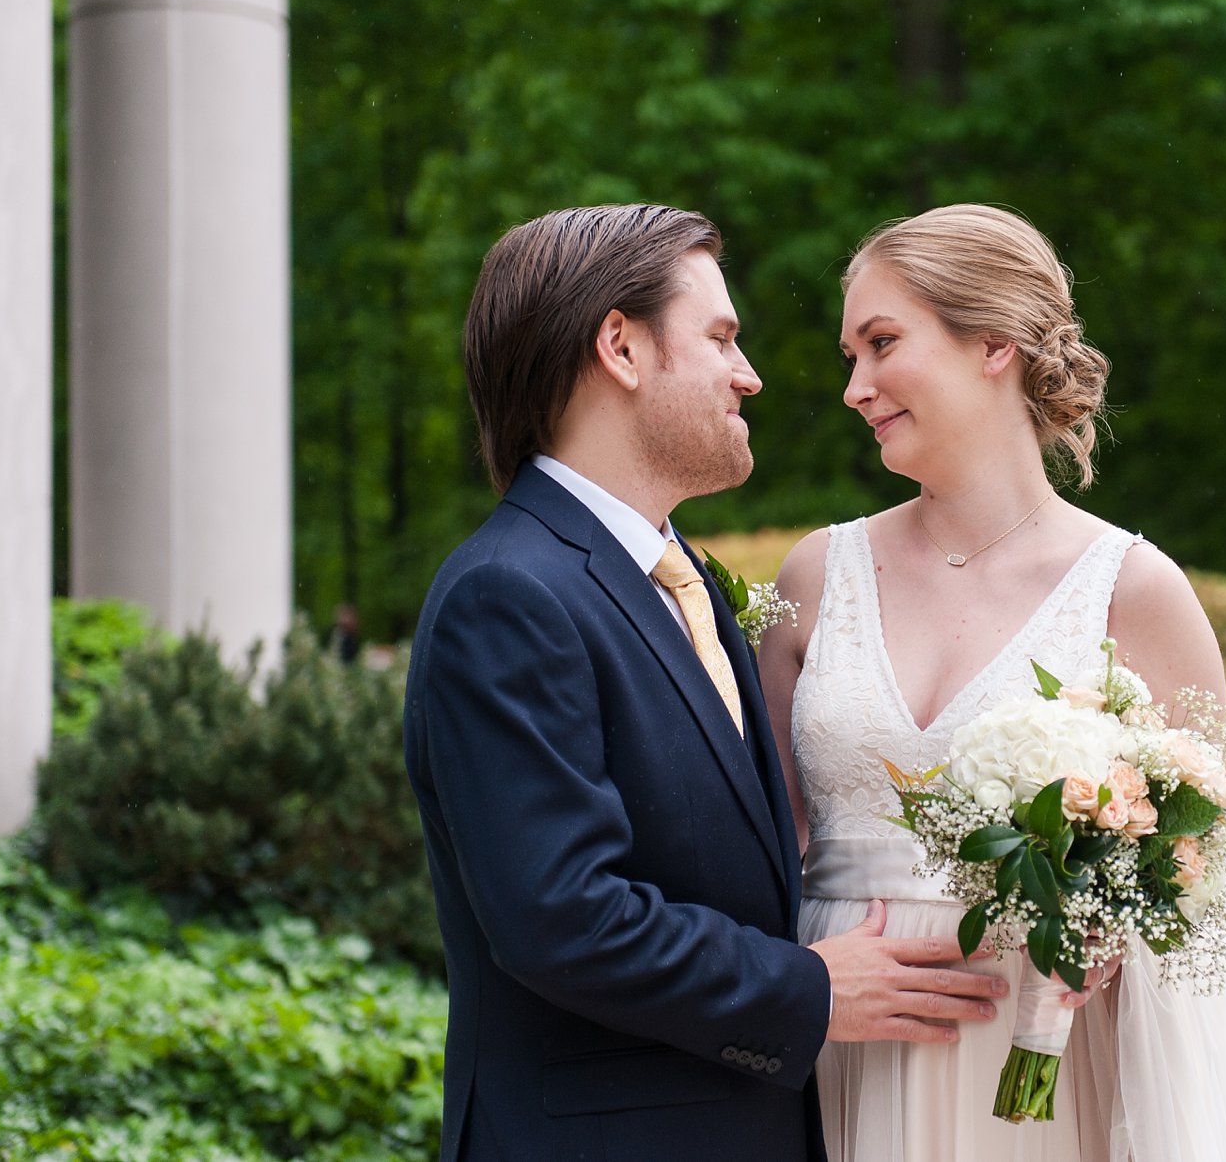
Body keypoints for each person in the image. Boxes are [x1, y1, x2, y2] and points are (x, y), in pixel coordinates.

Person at [402, 204, 1009, 1162]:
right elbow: (564, 915)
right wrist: (810, 991)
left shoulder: (677, 579)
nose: (749, 374)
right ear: (622, 348)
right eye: (721, 337)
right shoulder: (507, 593)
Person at [760, 204, 1226, 1162]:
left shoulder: (1136, 592)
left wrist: (1107, 932)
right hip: (837, 1053)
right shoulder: (814, 577)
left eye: (882, 343)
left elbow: (1198, 888)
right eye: (848, 356)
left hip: (1038, 1067)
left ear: (995, 343)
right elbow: (764, 844)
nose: (854, 386)